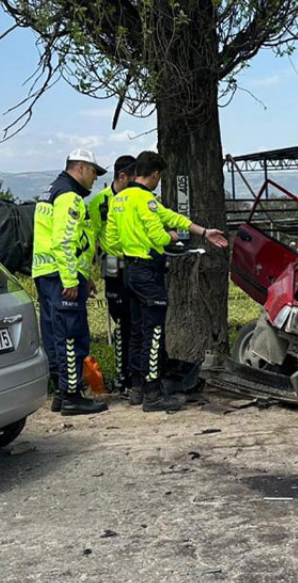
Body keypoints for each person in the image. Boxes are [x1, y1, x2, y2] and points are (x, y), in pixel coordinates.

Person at [106, 151, 229, 412]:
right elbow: (159, 232)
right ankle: (153, 395)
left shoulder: (121, 199)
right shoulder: (145, 199)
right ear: (155, 175)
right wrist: (171, 237)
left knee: (137, 330)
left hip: (128, 270)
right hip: (148, 272)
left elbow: (114, 238)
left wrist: (203, 232)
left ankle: (137, 387)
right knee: (154, 331)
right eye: (158, 178)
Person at [32, 149, 108, 416]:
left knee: (55, 335)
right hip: (61, 276)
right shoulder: (69, 197)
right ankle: (73, 396)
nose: (94, 180)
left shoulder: (50, 191)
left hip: (45, 274)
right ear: (81, 168)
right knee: (72, 336)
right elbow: (65, 241)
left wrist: (82, 277)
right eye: (94, 173)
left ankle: (61, 394)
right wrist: (72, 278)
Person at [88, 155, 137, 398]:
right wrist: (88, 272)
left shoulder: (136, 198)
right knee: (120, 321)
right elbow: (90, 238)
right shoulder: (99, 202)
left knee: (135, 321)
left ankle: (135, 375)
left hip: (135, 262)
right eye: (133, 178)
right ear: (122, 177)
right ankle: (121, 377)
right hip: (112, 263)